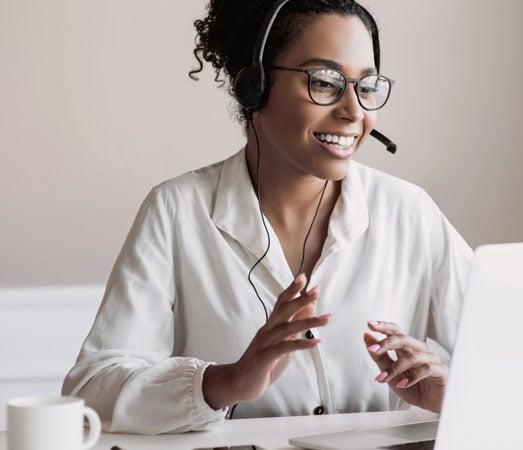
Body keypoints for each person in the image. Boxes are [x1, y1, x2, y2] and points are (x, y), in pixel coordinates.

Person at [62, 0, 472, 434]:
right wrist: (225, 381)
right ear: (254, 87)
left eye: (366, 86)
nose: (354, 111)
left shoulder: (409, 212)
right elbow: (92, 391)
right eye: (326, 82)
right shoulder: (178, 210)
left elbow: (520, 363)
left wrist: (452, 393)